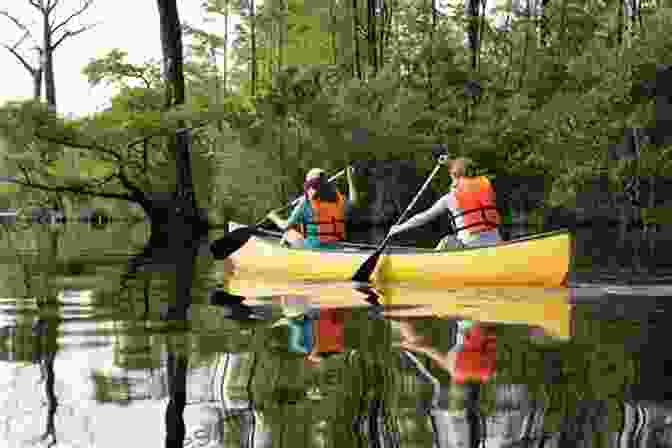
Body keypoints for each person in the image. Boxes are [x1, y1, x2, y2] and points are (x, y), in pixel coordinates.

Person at [388, 157, 502, 250]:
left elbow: (423, 218)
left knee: (447, 241)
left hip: (469, 247)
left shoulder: (450, 198)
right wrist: (449, 162)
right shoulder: (486, 187)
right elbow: (463, 168)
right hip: (496, 244)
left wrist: (398, 228)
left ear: (453, 175)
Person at [266, 166, 358, 249]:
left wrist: (273, 217)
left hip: (313, 248)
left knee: (289, 234)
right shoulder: (338, 200)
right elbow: (353, 202)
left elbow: (285, 226)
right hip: (335, 246)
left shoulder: (306, 203)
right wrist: (351, 180)